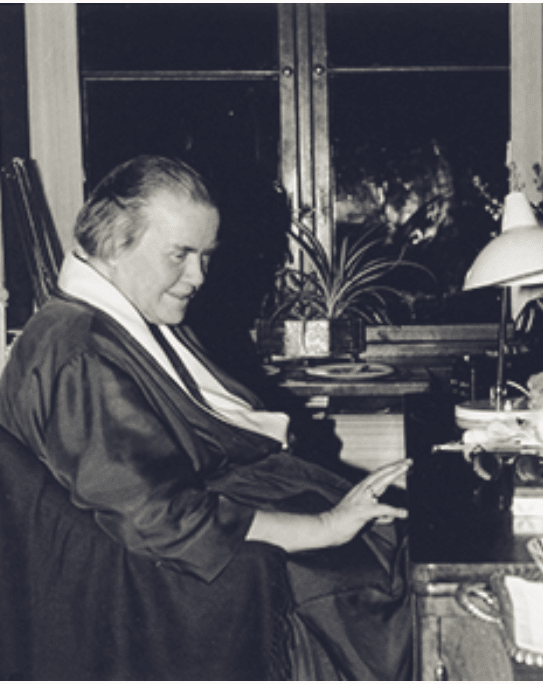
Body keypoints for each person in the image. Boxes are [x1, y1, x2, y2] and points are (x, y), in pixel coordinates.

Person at [0, 155, 413, 680]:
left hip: (215, 533)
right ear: (111, 243)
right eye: (180, 254)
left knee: (394, 546)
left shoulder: (125, 320)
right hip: (158, 591)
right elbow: (161, 520)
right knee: (383, 589)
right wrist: (326, 526)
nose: (197, 276)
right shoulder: (79, 351)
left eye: (205, 256)